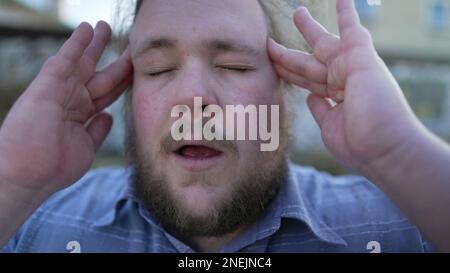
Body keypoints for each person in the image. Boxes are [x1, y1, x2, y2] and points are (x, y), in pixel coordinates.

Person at [0, 0, 449, 253]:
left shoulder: (401, 227)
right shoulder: (34, 226)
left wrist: (401, 154)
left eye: (234, 66)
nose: (193, 97)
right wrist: (11, 182)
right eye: (157, 69)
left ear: (284, 94)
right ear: (130, 95)